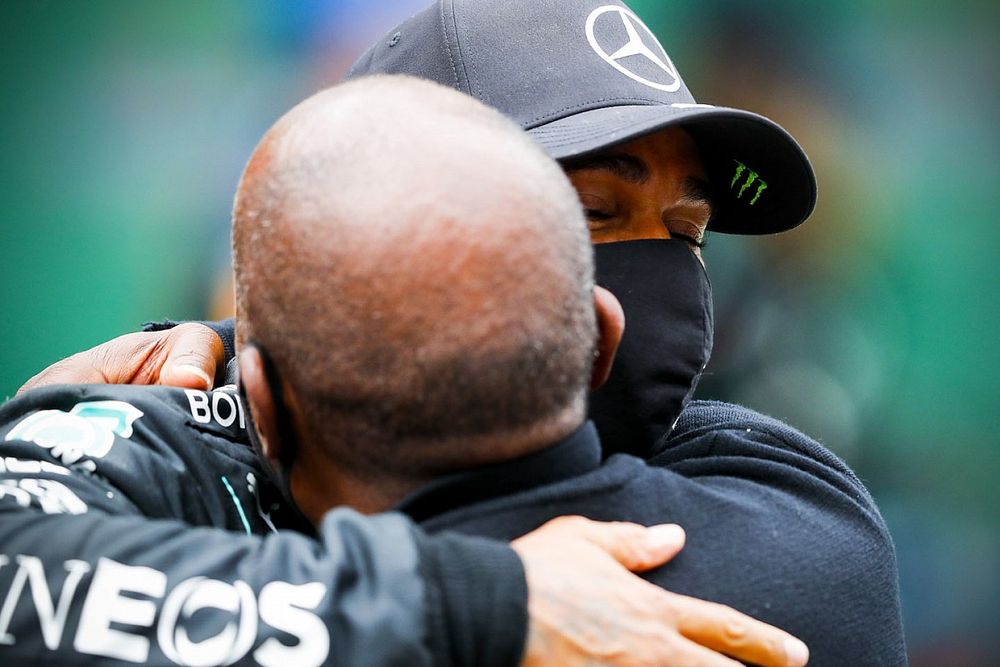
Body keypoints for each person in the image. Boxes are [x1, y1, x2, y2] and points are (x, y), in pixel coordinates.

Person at [0, 77, 809, 667]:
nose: (662, 271)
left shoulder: (180, 457)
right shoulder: (787, 518)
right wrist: (475, 603)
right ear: (601, 330)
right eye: (591, 213)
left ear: (264, 400)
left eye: (690, 231)